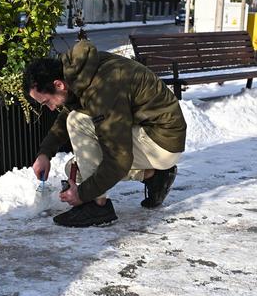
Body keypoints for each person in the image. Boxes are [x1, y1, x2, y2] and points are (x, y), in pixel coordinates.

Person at [23, 40, 187, 228]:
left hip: (162, 140)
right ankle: (152, 176)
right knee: (75, 170)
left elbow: (119, 160)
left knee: (77, 122)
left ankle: (97, 207)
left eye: (47, 102)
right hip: (150, 134)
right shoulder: (80, 72)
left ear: (58, 84)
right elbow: (69, 110)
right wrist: (45, 153)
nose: (51, 108)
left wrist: (83, 194)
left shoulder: (104, 86)